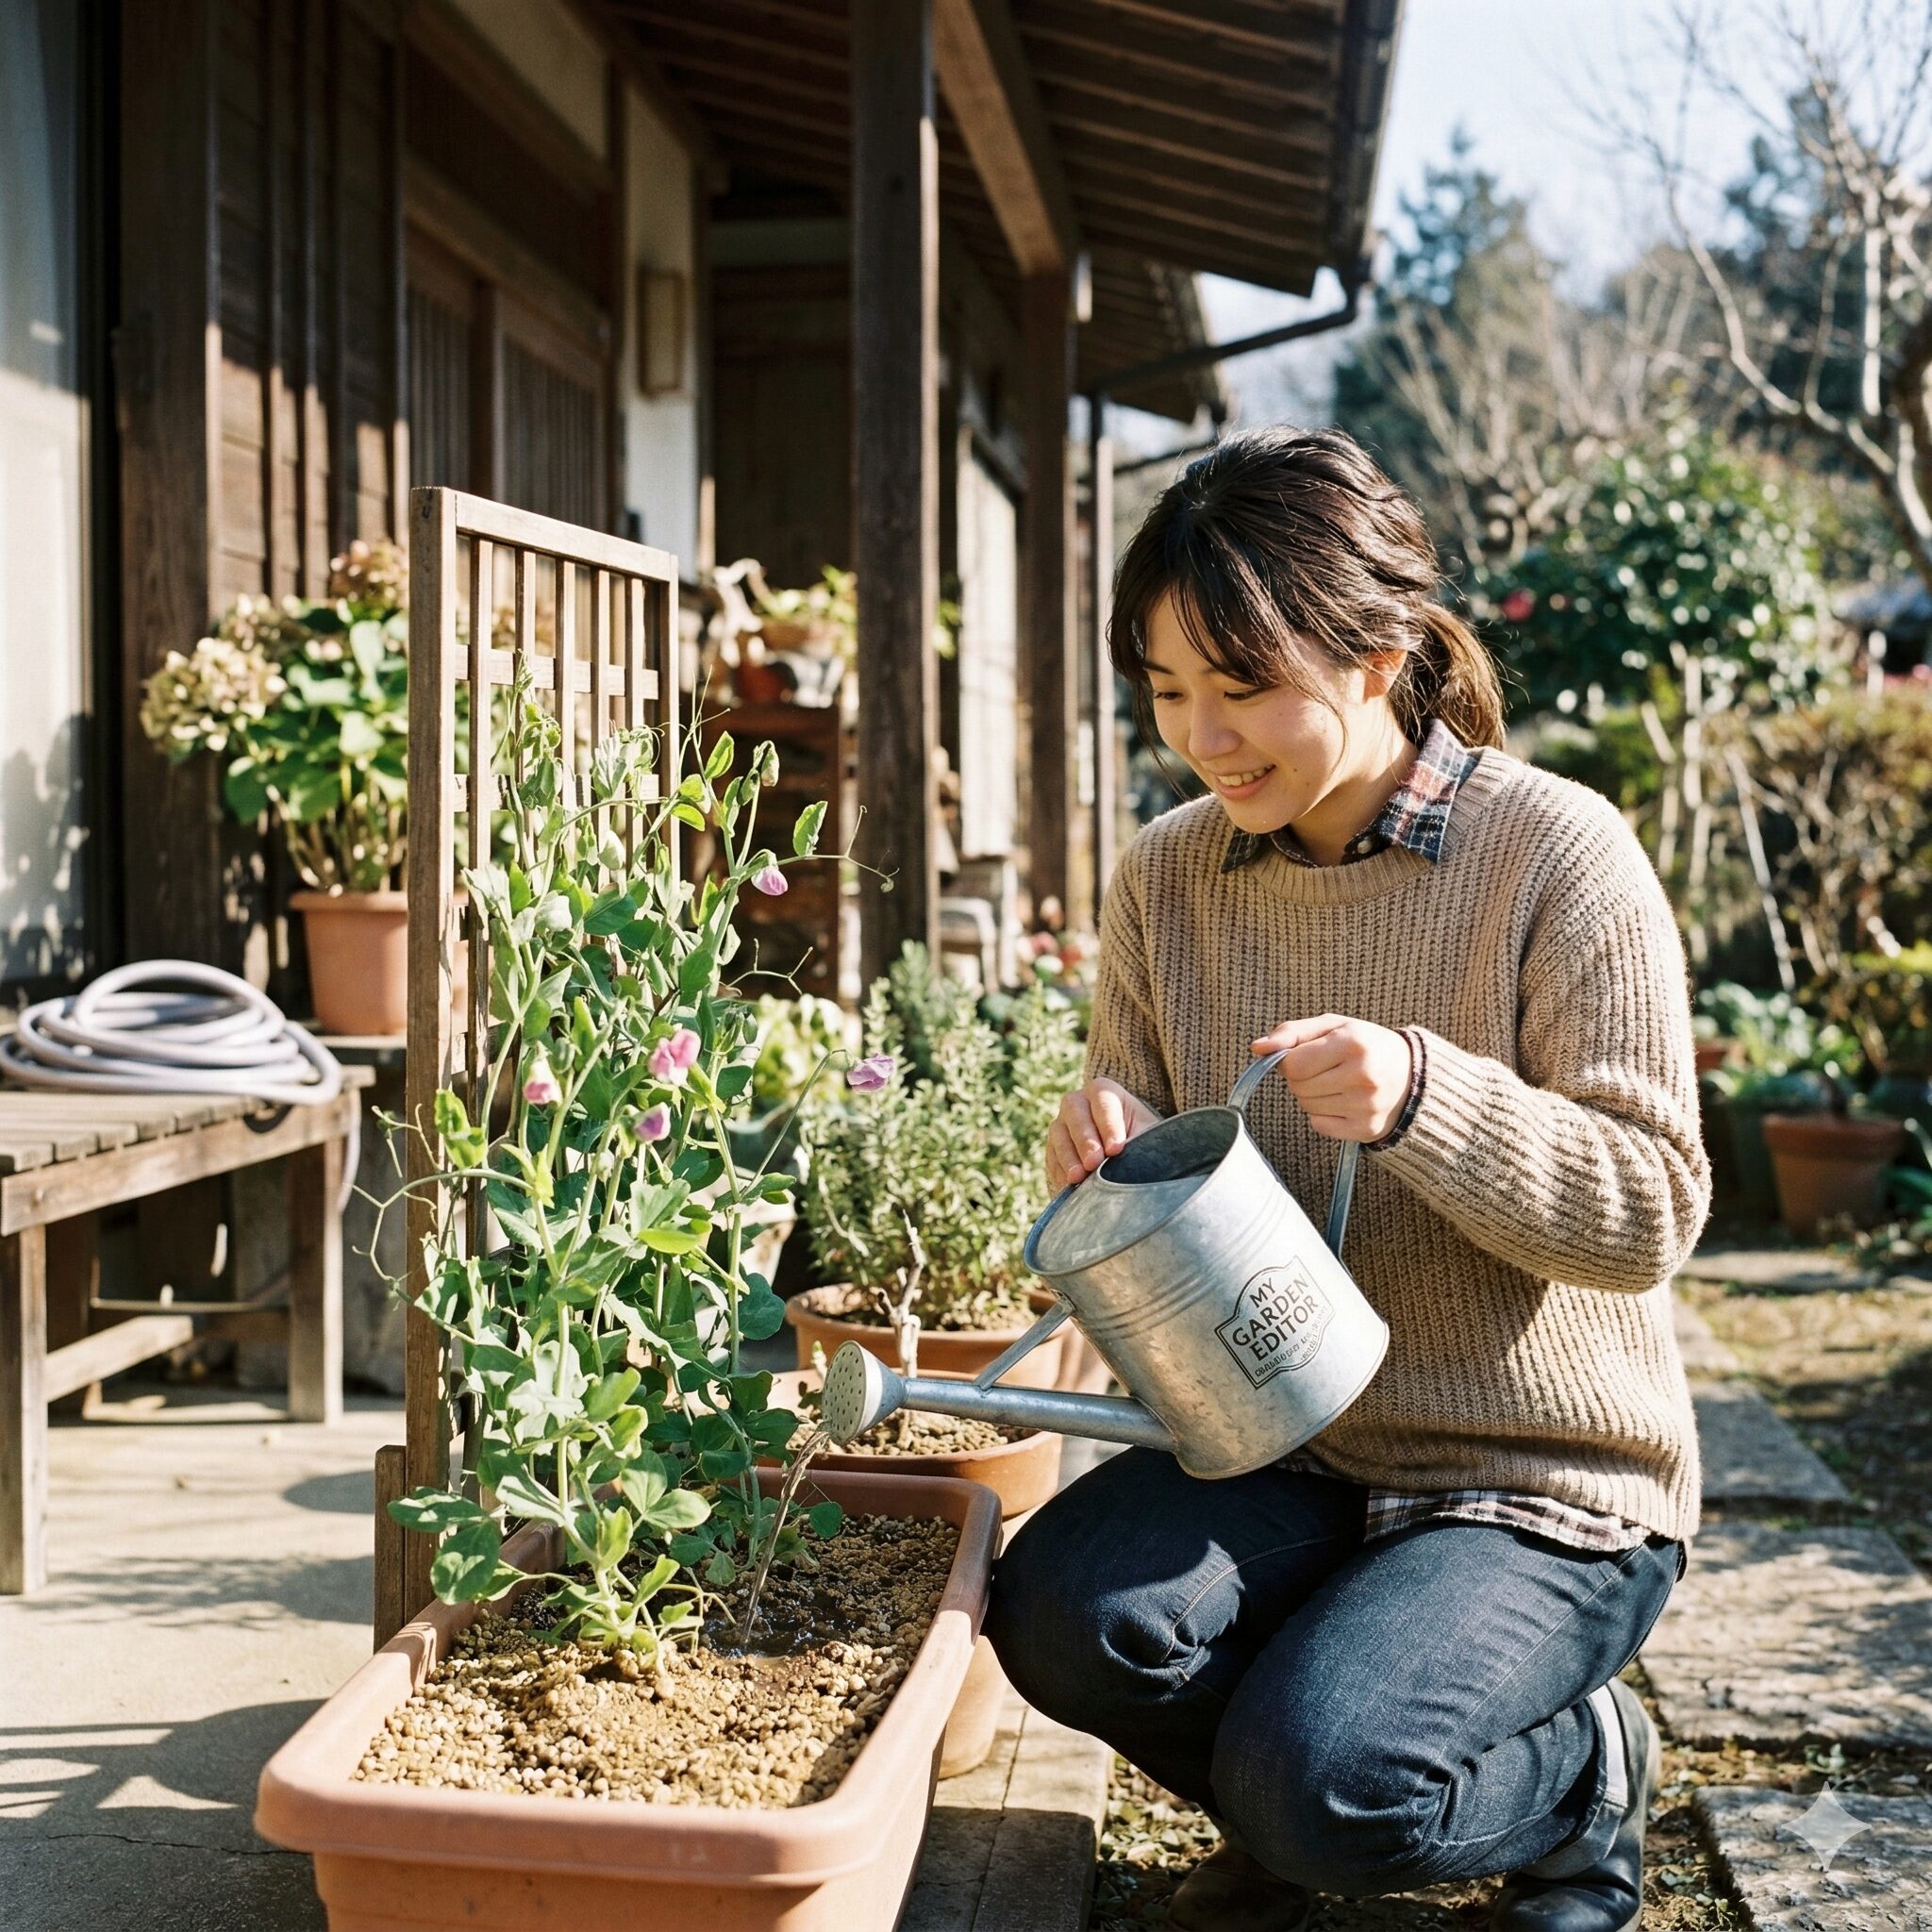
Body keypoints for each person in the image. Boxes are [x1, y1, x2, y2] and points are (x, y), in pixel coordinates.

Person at [984, 426, 1707, 1932]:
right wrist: (1107, 1135)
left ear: (1379, 654)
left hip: (1539, 1483)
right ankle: (1293, 1799)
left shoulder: (1558, 856)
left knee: (1326, 1780)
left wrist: (1432, 1099)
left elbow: (1653, 1210)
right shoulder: (1167, 875)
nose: (1205, 736)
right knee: (1062, 1616)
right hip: (1281, 1451)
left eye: (1243, 688)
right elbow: (1155, 1173)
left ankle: (1579, 1777)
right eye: (1170, 692)